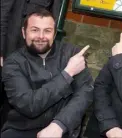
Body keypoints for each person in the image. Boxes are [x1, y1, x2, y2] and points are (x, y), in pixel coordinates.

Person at [1, 9, 94, 138]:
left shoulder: (71, 54)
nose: (41, 36)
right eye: (34, 30)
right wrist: (67, 73)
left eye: (47, 31)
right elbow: (29, 105)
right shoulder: (13, 63)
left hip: (64, 130)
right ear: (24, 32)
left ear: (55, 34)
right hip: (22, 130)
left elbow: (85, 94)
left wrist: (59, 124)